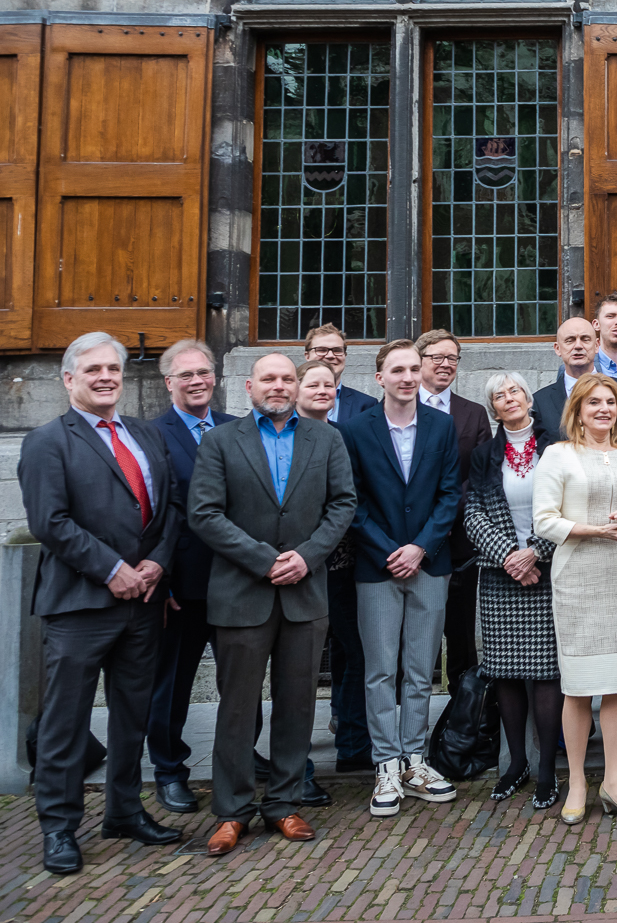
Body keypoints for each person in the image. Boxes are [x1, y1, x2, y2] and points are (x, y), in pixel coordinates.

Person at [18, 332, 183, 874]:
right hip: (81, 606)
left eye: (113, 367)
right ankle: (60, 827)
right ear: (70, 379)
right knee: (66, 724)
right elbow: (51, 523)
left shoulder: (143, 433)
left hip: (144, 601)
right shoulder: (47, 442)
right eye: (92, 370)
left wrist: (156, 562)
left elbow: (170, 507)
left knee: (132, 716)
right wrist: (112, 570)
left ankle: (125, 811)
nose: (106, 376)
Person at [186, 353, 357, 857]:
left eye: (287, 378)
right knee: (237, 708)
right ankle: (231, 812)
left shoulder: (327, 439)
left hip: (305, 592)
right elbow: (205, 512)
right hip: (242, 594)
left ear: (297, 385)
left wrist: (306, 557)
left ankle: (283, 802)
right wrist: (263, 560)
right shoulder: (220, 440)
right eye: (269, 379)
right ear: (249, 386)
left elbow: (343, 504)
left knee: (298, 704)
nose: (279, 386)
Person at [338, 340, 464, 818]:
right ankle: (385, 763)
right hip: (377, 567)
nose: (408, 377)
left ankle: (415, 758)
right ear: (380, 378)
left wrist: (421, 547)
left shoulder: (442, 426)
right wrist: (390, 549)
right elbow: (351, 499)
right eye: (398, 370)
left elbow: (449, 495)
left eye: (414, 368)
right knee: (379, 671)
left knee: (420, 669)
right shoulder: (355, 429)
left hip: (429, 563)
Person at [531, 374, 617, 823]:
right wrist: (593, 529)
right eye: (594, 403)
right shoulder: (558, 455)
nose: (604, 409)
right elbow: (545, 521)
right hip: (577, 578)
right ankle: (577, 781)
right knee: (578, 686)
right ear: (578, 410)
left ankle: (612, 781)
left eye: (610, 402)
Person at [463, 372, 568, 809]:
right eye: (499, 395)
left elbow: (571, 504)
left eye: (515, 391)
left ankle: (547, 768)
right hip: (500, 575)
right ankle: (517, 763)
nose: (509, 398)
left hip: (547, 573)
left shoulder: (557, 448)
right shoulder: (484, 454)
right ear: (493, 406)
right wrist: (509, 555)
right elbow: (471, 511)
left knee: (545, 675)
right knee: (504, 672)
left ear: (529, 398)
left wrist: (535, 553)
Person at [146, 340, 239, 816]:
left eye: (204, 372)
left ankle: (242, 756)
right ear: (169, 383)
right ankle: (168, 770)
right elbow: (152, 515)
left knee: (240, 683)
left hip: (236, 582)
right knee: (171, 685)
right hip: (180, 587)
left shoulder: (236, 429)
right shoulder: (151, 435)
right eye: (186, 375)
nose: (198, 380)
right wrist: (160, 583)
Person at [294, 360, 372, 773]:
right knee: (300, 665)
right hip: (296, 567)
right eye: (313, 384)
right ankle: (297, 761)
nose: (323, 390)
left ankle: (353, 743)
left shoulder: (344, 435)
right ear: (295, 389)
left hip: (341, 564)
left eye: (329, 384)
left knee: (352, 652)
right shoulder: (282, 435)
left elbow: (353, 495)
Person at [415, 330, 495, 691]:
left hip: (459, 542)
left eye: (453, 358)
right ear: (419, 361)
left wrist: (444, 516)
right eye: (437, 357)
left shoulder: (473, 413)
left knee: (461, 635)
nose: (446, 364)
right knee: (412, 637)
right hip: (408, 540)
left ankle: (462, 724)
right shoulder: (396, 407)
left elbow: (481, 475)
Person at [535, 317, 601, 435]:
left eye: (585, 339)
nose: (578, 346)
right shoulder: (539, 402)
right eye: (570, 340)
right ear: (557, 348)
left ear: (597, 345)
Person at [304, 323, 381, 424]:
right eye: (321, 350)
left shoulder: (366, 405)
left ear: (345, 355)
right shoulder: (291, 401)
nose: (330, 355)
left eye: (337, 350)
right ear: (307, 356)